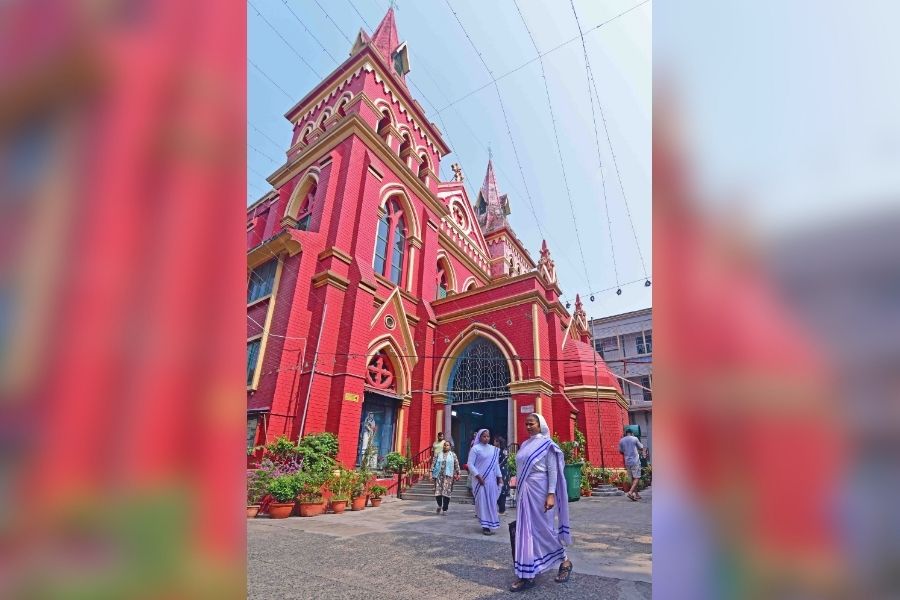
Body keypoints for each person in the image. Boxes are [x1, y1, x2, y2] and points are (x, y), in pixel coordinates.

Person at [509, 413, 573, 592]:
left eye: (531, 423)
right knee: (526, 531)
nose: (528, 427)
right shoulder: (524, 445)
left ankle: (565, 561)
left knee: (544, 530)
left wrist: (551, 494)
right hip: (525, 492)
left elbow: (552, 471)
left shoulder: (547, 445)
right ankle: (527, 574)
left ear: (540, 424)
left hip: (541, 490)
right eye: (526, 424)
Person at [468, 428, 503, 535]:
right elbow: (470, 464)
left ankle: (491, 522)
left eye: (488, 436)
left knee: (492, 502)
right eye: (484, 436)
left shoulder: (493, 449)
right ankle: (485, 526)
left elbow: (496, 465)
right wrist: (479, 477)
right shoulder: (475, 449)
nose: (486, 438)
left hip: (491, 480)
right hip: (480, 481)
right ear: (479, 437)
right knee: (483, 503)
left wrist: (500, 477)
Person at [430, 440, 460, 514]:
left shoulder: (453, 455)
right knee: (438, 492)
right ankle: (439, 505)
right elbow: (433, 463)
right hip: (438, 476)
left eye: (447, 445)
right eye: (444, 445)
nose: (446, 446)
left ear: (450, 447)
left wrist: (458, 473)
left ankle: (445, 509)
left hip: (448, 477)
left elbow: (456, 464)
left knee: (447, 493)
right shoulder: (438, 454)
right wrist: (431, 473)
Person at [618, 428, 645, 501]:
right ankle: (630, 492)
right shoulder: (634, 438)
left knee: (633, 478)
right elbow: (641, 447)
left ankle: (636, 494)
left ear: (626, 433)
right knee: (637, 477)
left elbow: (620, 451)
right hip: (635, 461)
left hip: (627, 461)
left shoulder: (621, 440)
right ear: (632, 433)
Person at [495, 436, 510, 514]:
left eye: (495, 441)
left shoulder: (504, 451)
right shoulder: (494, 450)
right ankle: (501, 508)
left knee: (502, 490)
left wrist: (497, 467)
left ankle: (502, 509)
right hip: (497, 471)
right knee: (497, 490)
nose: (494, 443)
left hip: (503, 471)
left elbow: (504, 460)